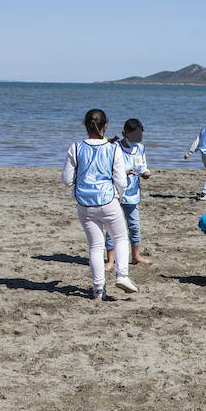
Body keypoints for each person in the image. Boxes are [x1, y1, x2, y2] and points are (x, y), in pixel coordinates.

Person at [64, 108, 141, 300]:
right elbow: (121, 180)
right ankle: (122, 275)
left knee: (95, 247)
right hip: (108, 200)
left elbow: (66, 179)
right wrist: (119, 194)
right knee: (121, 238)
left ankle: (98, 289)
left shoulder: (75, 147)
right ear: (105, 126)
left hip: (84, 203)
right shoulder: (113, 148)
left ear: (85, 125)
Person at [104, 118, 153, 269]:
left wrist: (145, 173)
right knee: (112, 227)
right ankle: (111, 260)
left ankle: (136, 256)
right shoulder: (115, 148)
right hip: (116, 195)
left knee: (134, 226)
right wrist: (124, 172)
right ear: (124, 134)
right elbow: (108, 170)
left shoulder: (140, 148)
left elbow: (143, 165)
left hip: (133, 195)